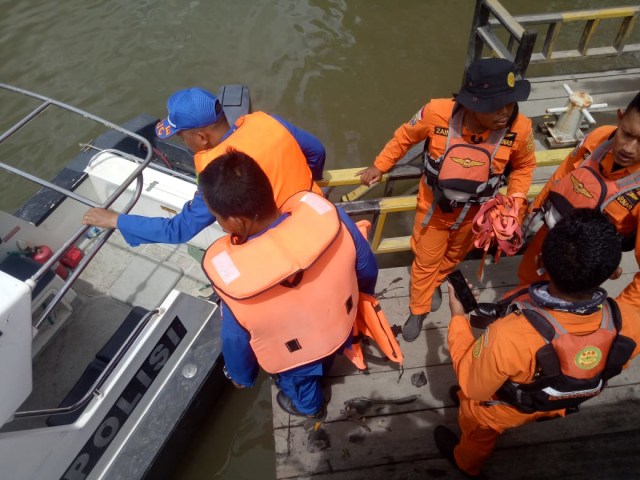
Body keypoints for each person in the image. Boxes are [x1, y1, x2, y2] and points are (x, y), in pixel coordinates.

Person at [436, 209, 640, 478]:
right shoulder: (629, 320)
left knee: (478, 423)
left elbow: (473, 385)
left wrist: (458, 317)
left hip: (505, 408)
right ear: (614, 273)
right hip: (560, 400)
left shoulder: (508, 335)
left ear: (541, 259)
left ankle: (466, 464)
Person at [358, 58, 536, 342]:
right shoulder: (437, 112)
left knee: (454, 256)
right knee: (426, 259)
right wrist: (380, 166)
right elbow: (405, 137)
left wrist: (515, 205)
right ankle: (418, 309)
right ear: (473, 102)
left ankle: (437, 283)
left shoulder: (520, 129)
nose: (505, 112)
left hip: (476, 214)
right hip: (435, 209)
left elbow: (525, 167)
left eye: (510, 103)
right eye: (495, 105)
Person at [199, 149, 378, 420]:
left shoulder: (235, 284)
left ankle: (312, 409)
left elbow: (235, 339)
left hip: (296, 356)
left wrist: (241, 377)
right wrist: (363, 297)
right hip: (341, 323)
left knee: (301, 386)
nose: (220, 223)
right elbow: (366, 266)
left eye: (218, 217)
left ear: (237, 221)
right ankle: (326, 365)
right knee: (325, 358)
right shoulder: (332, 217)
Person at [82, 87, 326, 246]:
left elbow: (179, 229)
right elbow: (316, 152)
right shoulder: (266, 121)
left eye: (181, 136)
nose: (183, 142)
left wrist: (115, 220)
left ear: (201, 138)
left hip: (286, 242)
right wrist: (306, 181)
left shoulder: (214, 170)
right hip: (318, 213)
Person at [518, 91, 640, 308]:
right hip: (547, 239)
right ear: (620, 117)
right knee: (524, 289)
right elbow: (561, 177)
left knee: (559, 316)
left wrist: (621, 314)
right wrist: (528, 218)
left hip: (581, 273)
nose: (628, 148)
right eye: (627, 134)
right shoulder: (598, 137)